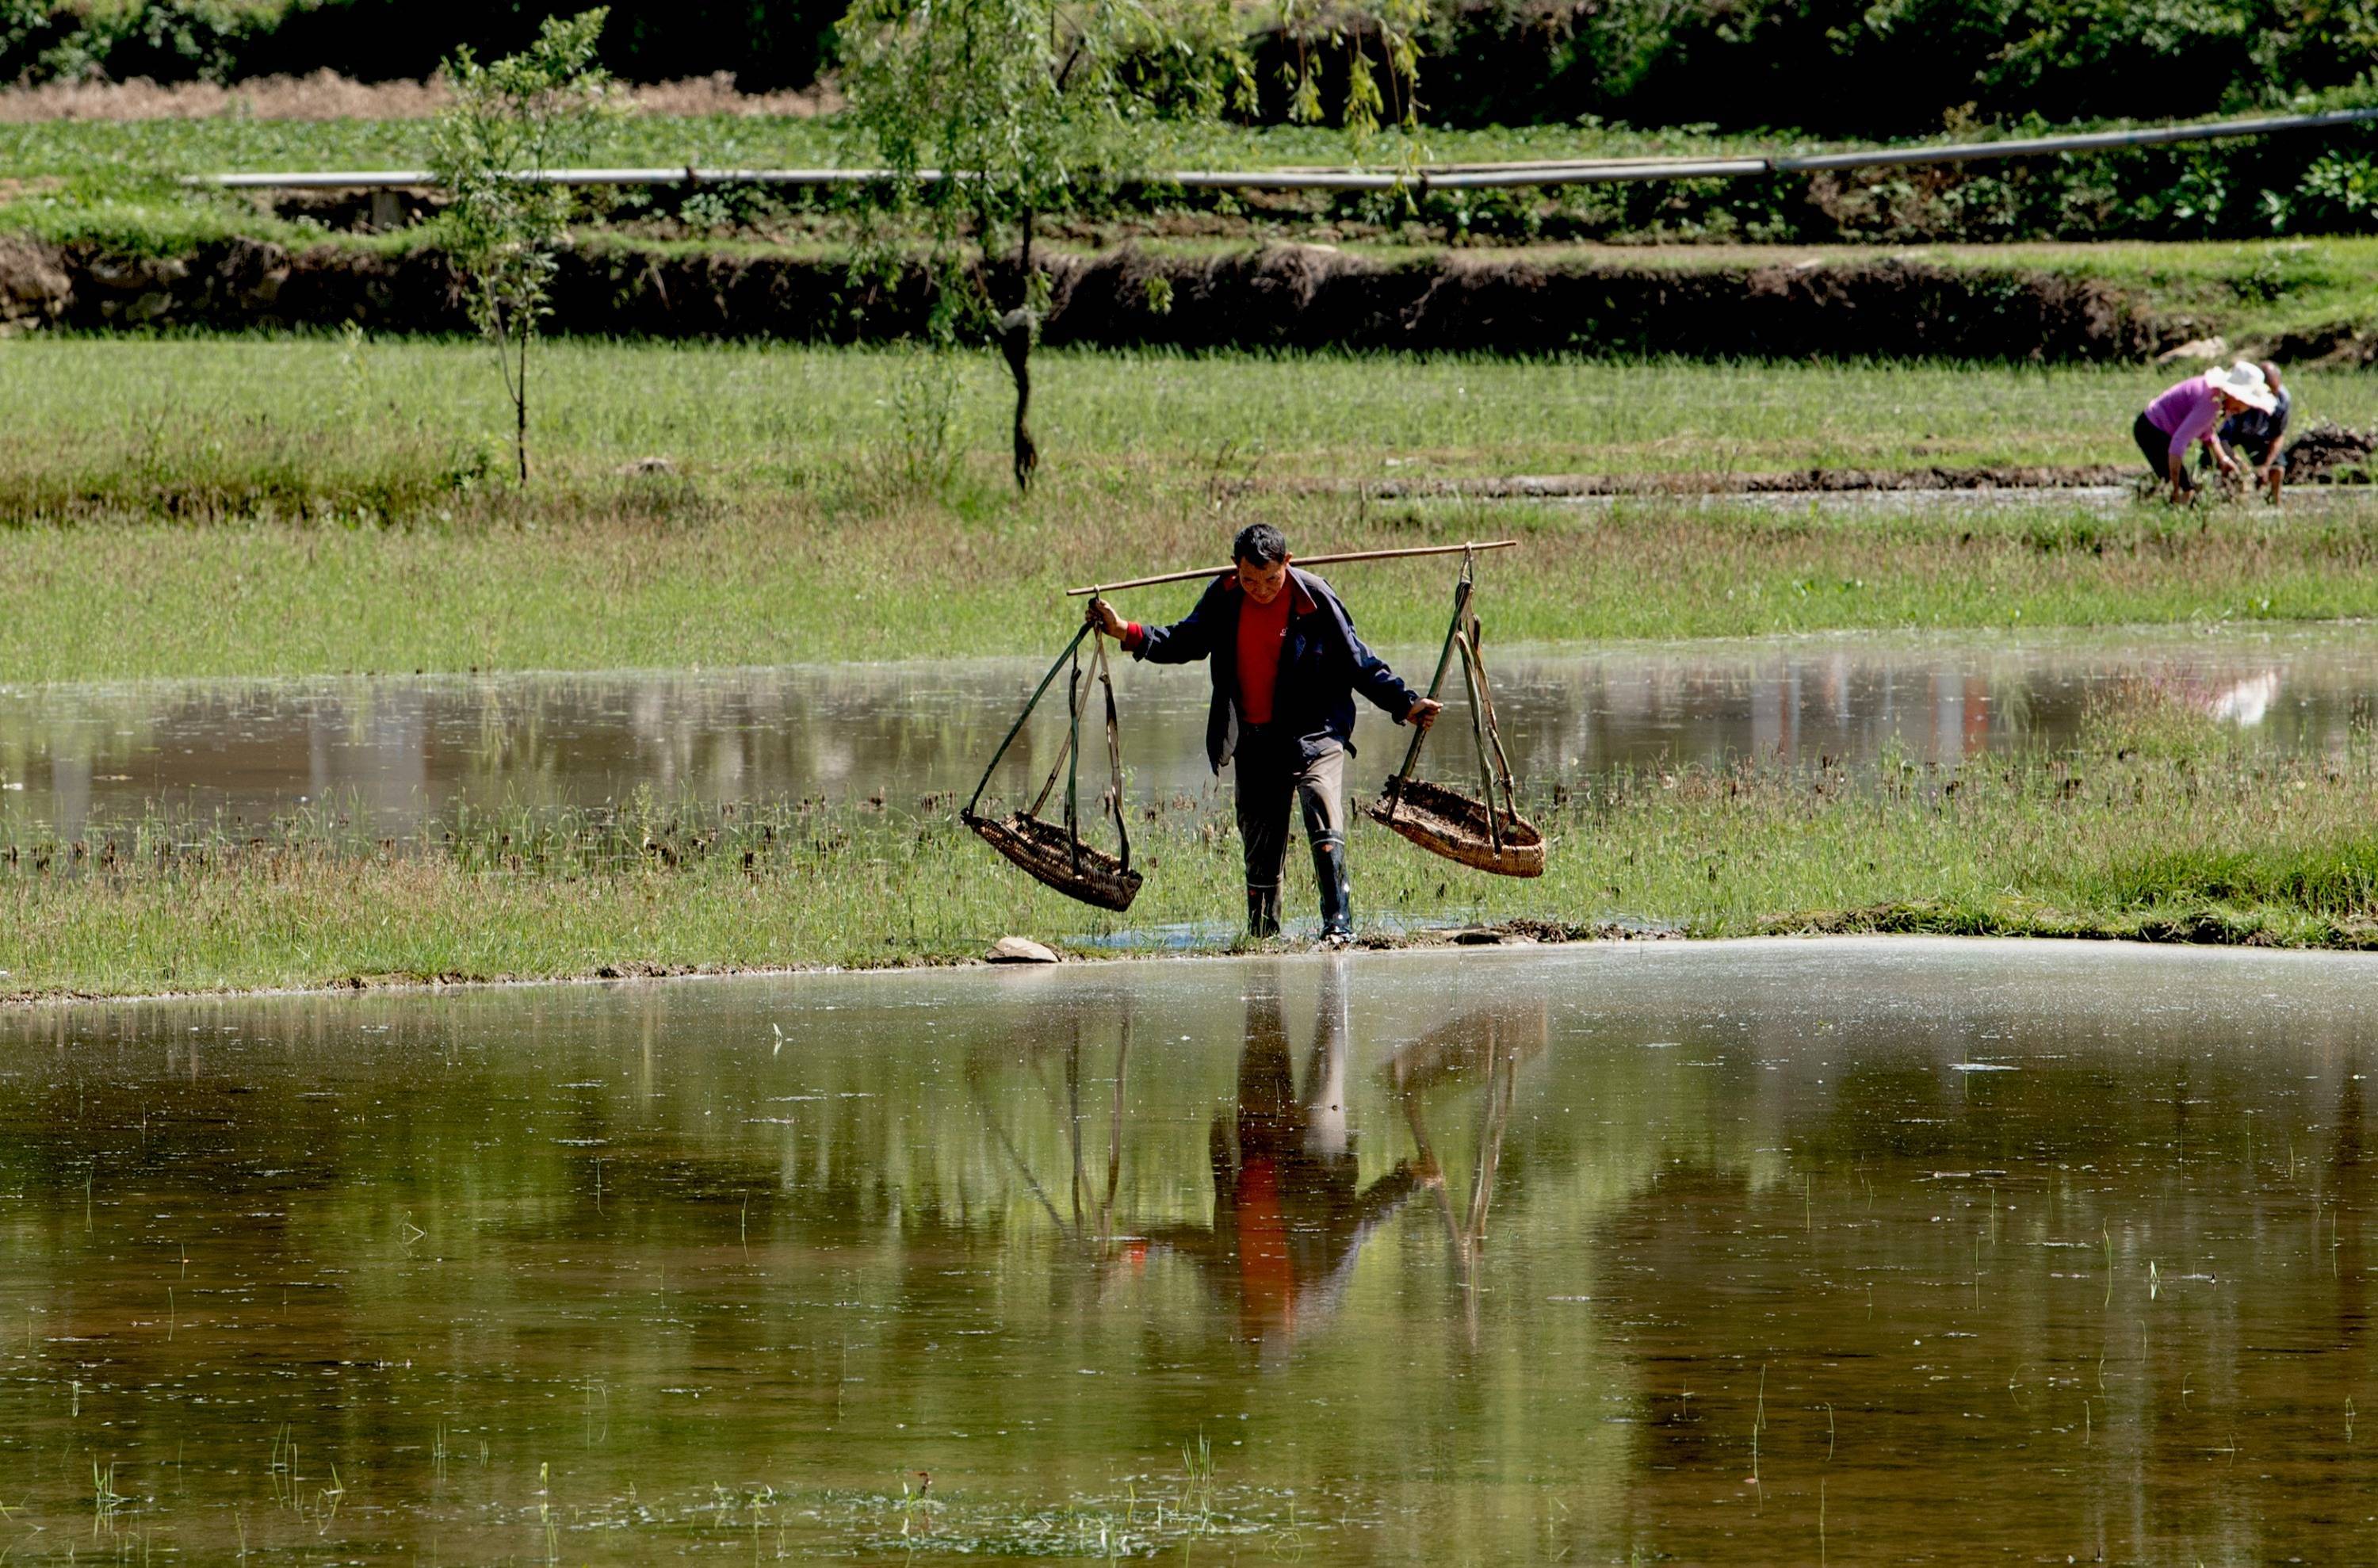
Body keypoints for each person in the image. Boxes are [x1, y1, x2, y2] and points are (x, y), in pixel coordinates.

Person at [1086, 523, 1441, 943]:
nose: (1262, 589)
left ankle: (1338, 928)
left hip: (1315, 732)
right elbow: (1186, 640)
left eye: (1271, 579)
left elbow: (1356, 660)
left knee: (1320, 803)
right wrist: (1124, 629)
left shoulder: (1314, 597)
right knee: (1259, 841)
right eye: (1250, 580)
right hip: (1254, 739)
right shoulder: (1225, 596)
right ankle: (1261, 935)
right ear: (1236, 571)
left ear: (1287, 564)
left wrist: (1405, 702)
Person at [2135, 361, 2277, 503]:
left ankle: (2149, 499)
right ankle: (2151, 502)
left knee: (2181, 487)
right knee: (2183, 490)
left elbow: (2206, 430)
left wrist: (2223, 459)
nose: (2246, 408)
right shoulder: (2211, 404)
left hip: (2155, 428)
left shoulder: (2216, 397)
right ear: (2236, 395)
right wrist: (2176, 488)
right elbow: (2177, 444)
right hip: (2152, 430)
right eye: (2247, 403)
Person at [2205, 360, 2291, 503]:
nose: (2273, 398)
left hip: (2258, 435)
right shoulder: (2240, 398)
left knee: (2278, 467)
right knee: (2213, 457)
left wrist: (2266, 466)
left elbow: (2278, 435)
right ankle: (2220, 496)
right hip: (2233, 434)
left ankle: (2275, 502)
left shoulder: (2283, 398)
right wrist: (2235, 461)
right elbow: (2221, 437)